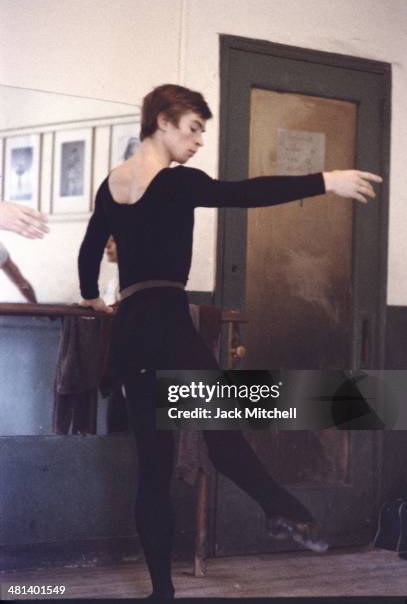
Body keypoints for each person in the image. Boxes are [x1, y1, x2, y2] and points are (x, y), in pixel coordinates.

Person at [78, 84, 382, 599]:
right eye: (194, 127)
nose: (199, 140)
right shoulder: (180, 184)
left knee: (153, 467)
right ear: (164, 122)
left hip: (131, 331)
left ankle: (162, 591)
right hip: (170, 327)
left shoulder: (112, 186)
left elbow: (89, 252)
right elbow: (247, 193)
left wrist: (92, 300)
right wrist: (326, 179)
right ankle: (281, 509)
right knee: (224, 431)